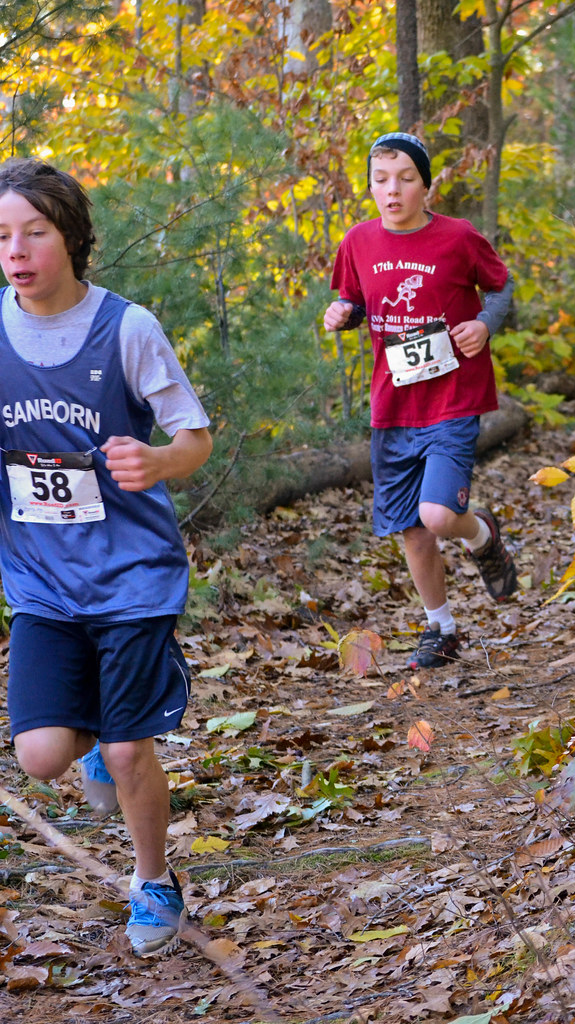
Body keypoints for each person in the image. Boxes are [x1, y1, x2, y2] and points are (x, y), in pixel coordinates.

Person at [0, 157, 212, 956]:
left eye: (35, 233)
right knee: (43, 755)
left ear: (71, 238)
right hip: (42, 579)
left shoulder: (126, 328)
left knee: (128, 751)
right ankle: (101, 739)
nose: (17, 252)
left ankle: (154, 880)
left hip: (131, 575)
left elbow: (193, 437)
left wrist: (158, 463)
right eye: (2, 238)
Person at [323, 132, 517, 670]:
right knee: (411, 529)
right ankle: (443, 627)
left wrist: (483, 323)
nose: (393, 191)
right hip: (393, 403)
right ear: (370, 185)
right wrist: (342, 314)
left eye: (406, 179)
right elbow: (354, 300)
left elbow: (501, 288)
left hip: (454, 397)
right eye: (381, 180)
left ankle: (483, 534)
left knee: (436, 515)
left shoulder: (458, 237)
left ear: (426, 186)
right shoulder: (358, 241)